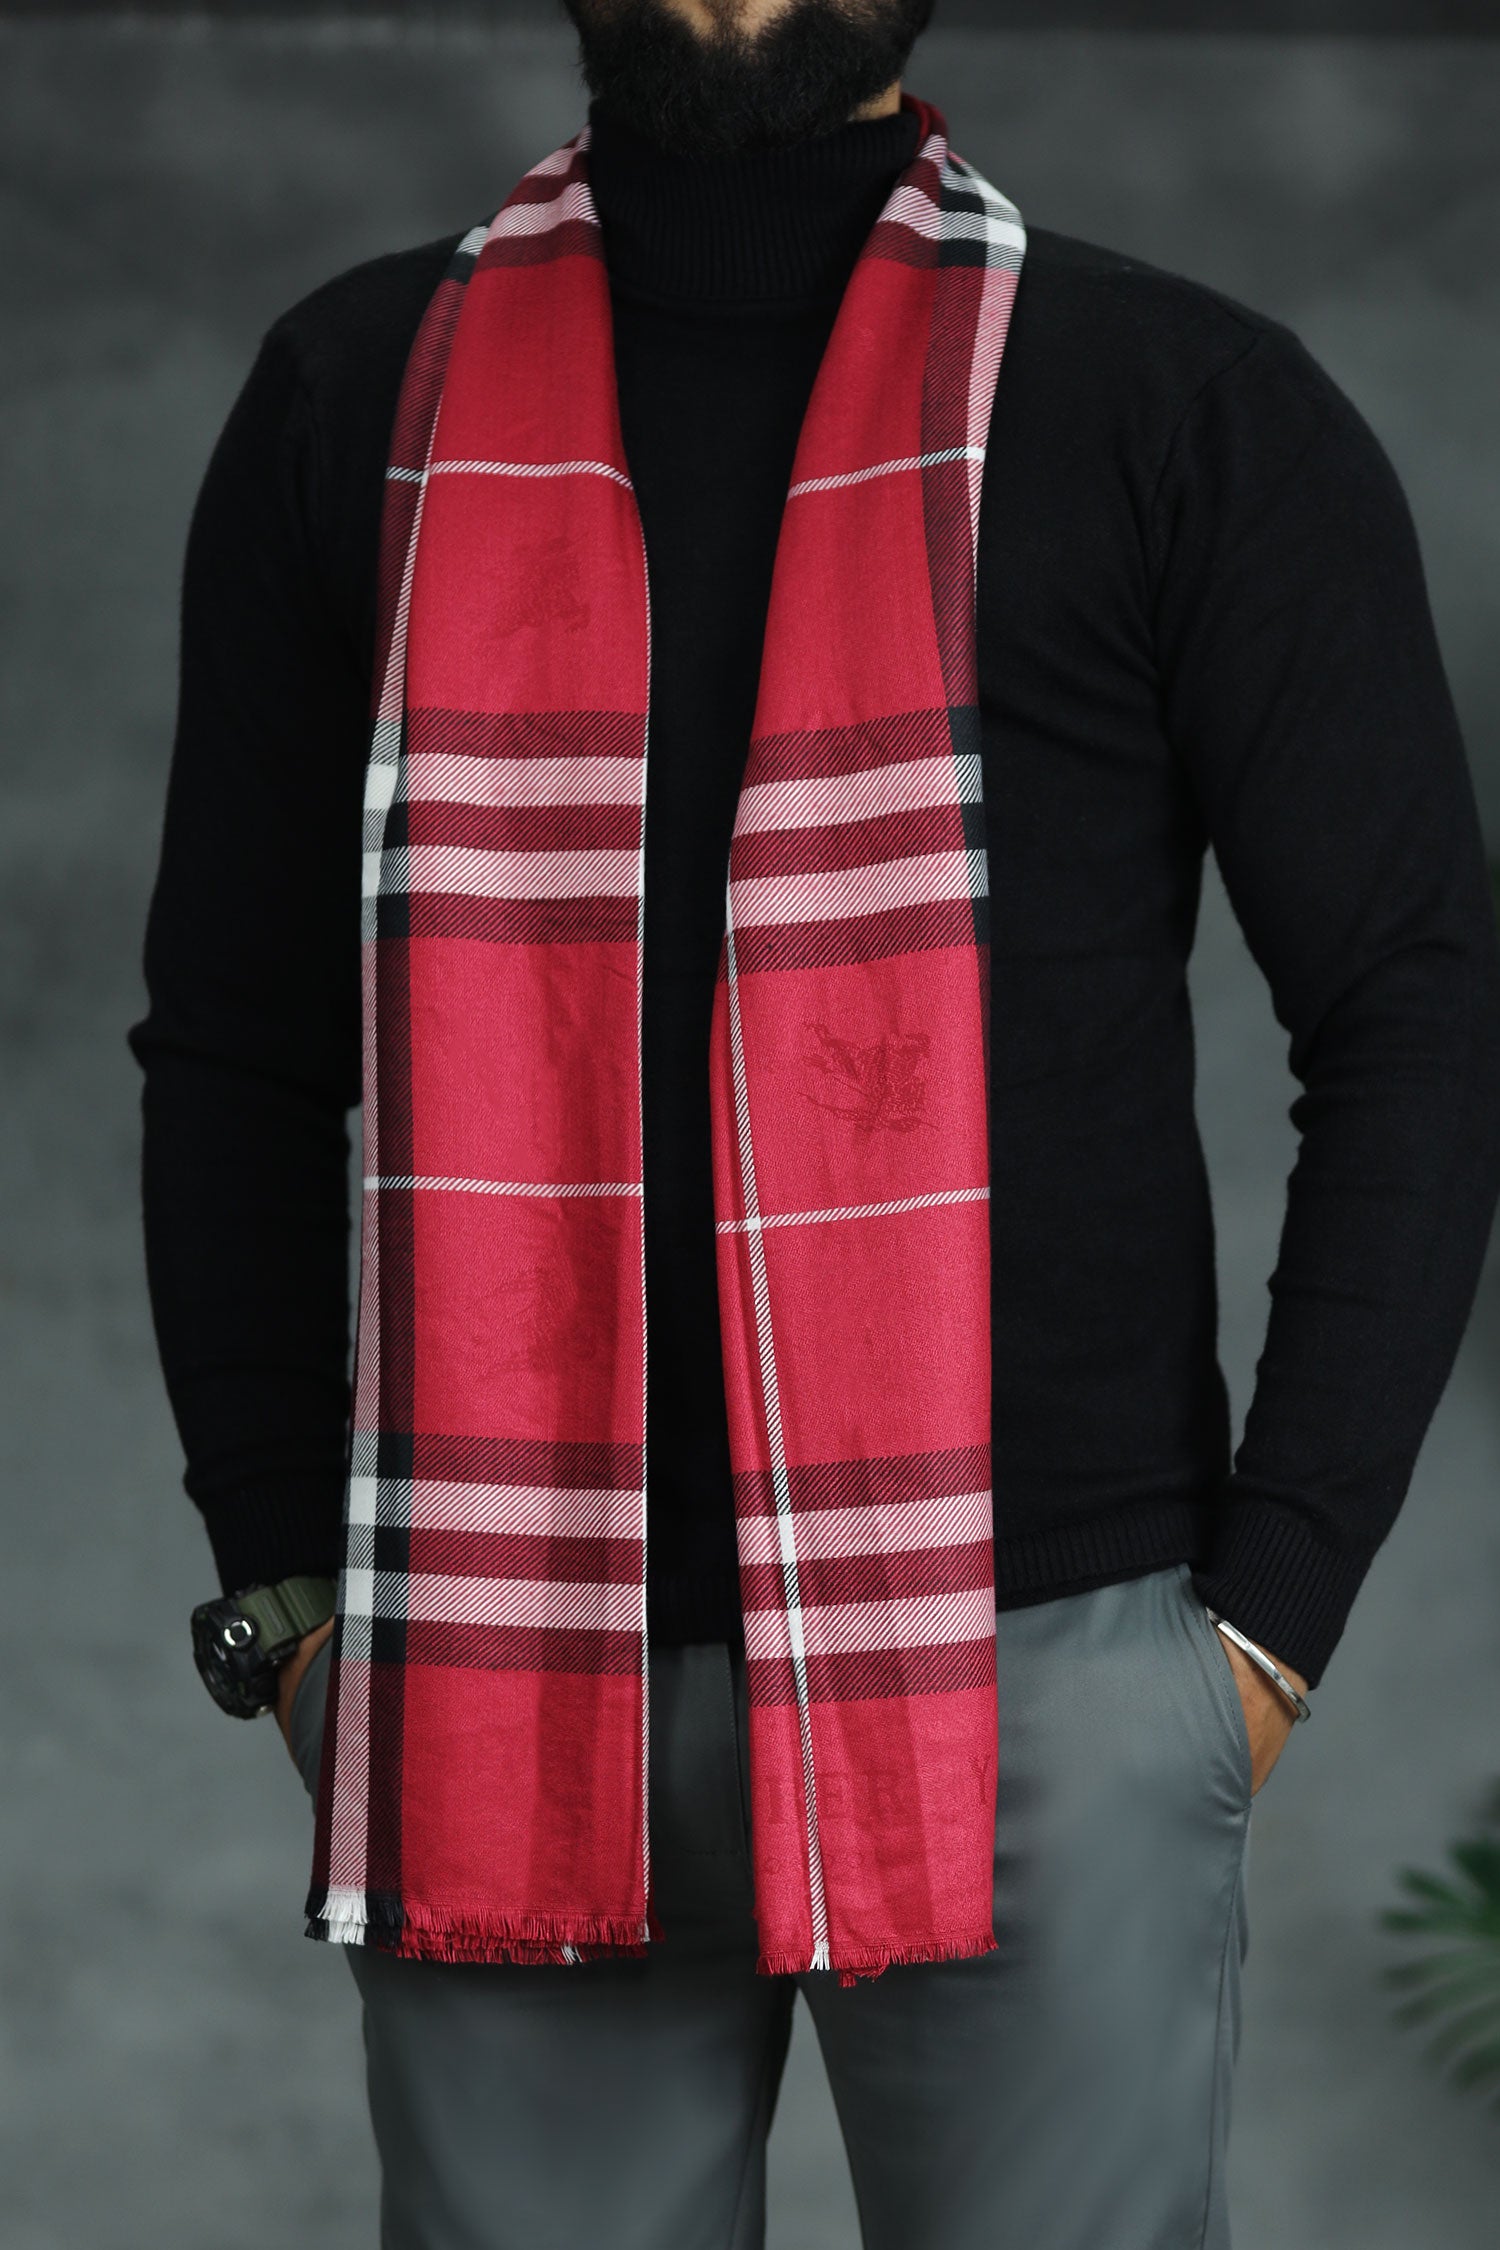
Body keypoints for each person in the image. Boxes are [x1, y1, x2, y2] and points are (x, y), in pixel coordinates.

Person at [126, 1, 1500, 2244]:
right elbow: (236, 1051)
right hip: (492, 1664)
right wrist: (289, 1604)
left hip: (1038, 1676)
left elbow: (1416, 1008)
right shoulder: (349, 399)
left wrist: (1262, 1627)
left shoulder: (1178, 404)